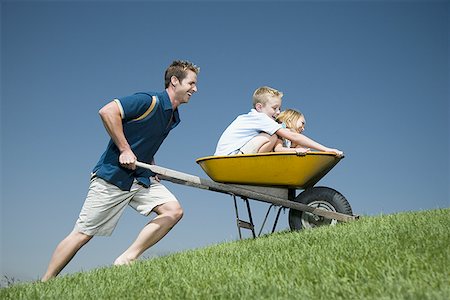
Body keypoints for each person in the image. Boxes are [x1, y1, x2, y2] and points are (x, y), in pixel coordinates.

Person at [42, 60, 200, 281]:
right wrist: (124, 149)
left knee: (173, 211)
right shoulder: (149, 101)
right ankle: (45, 282)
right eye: (192, 83)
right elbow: (107, 111)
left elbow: (144, 141)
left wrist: (151, 165)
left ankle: (127, 259)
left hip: (141, 179)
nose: (195, 89)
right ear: (175, 81)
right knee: (82, 234)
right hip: (113, 177)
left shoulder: (173, 116)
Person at [214, 86, 343, 156]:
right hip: (229, 157)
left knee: (272, 135)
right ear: (259, 107)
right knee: (272, 136)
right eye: (274, 108)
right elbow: (293, 136)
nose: (278, 112)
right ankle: (256, 162)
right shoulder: (260, 117)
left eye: (279, 108)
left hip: (229, 154)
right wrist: (325, 149)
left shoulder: (256, 118)